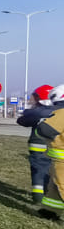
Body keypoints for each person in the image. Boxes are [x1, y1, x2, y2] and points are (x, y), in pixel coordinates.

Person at [16, 85, 54, 203]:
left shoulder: (37, 112)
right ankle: (50, 192)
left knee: (38, 171)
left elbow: (22, 121)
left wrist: (29, 112)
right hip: (57, 147)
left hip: (38, 146)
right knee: (54, 171)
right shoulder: (59, 112)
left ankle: (38, 198)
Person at [34, 84, 64, 212]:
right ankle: (51, 210)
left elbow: (45, 130)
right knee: (54, 187)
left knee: (62, 185)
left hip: (62, 161)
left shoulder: (62, 113)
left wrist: (40, 123)